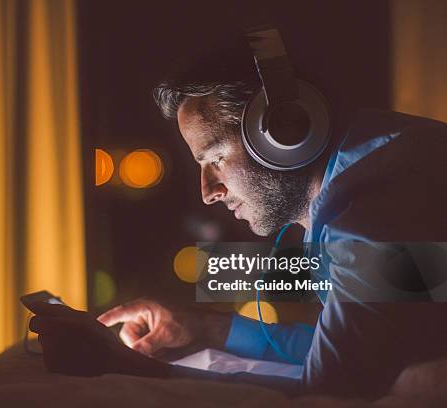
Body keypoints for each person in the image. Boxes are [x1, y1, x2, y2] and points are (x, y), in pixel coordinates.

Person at [28, 45, 447, 399]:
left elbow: (329, 391)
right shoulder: (380, 167)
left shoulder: (367, 222)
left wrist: (129, 369)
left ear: (283, 135)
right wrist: (202, 328)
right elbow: (349, 347)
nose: (208, 191)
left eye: (214, 160)